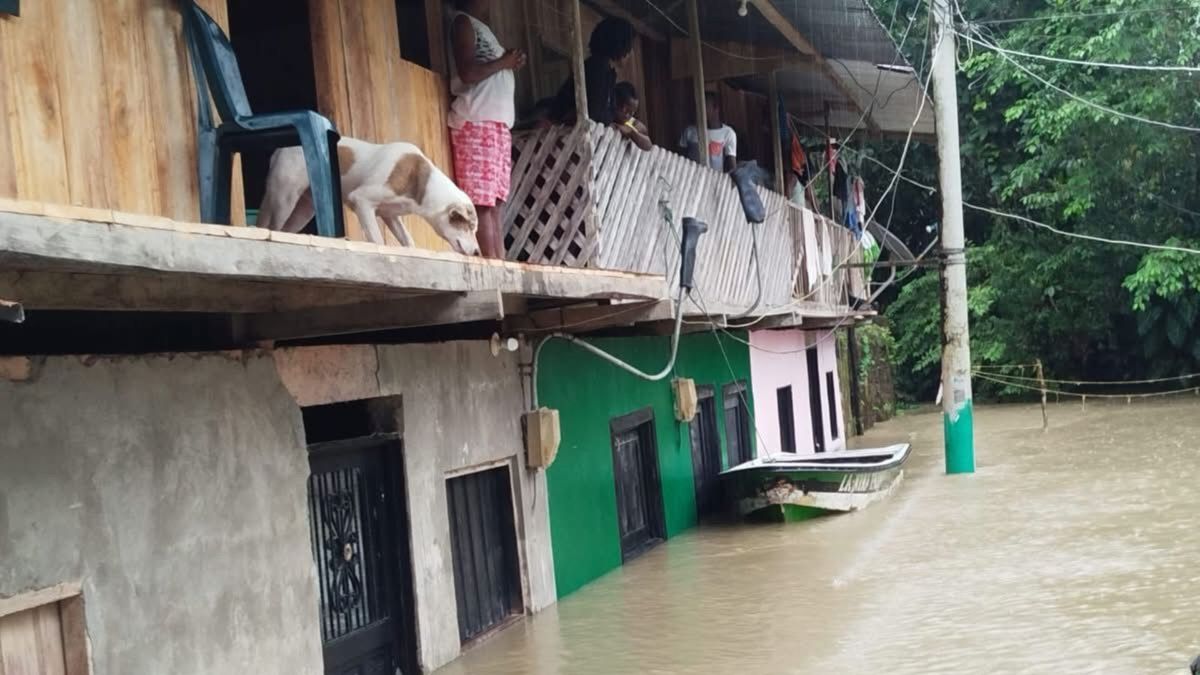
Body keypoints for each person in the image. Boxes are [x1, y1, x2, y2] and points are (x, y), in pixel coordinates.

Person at [447, 0, 526, 259]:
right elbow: (467, 73)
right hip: (476, 122)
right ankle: (492, 268)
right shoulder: (463, 23)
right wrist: (504, 62)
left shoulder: (481, 28)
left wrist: (507, 62)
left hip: (496, 126)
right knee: (481, 203)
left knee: (494, 204)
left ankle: (499, 265)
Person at [549, 17, 636, 124]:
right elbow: (595, 114)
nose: (630, 53)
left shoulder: (608, 72)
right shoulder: (597, 68)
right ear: (620, 44)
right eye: (629, 47)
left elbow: (611, 113)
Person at [680, 92, 737, 173]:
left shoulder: (728, 133)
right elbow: (680, 161)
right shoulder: (689, 131)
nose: (700, 111)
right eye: (698, 107)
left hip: (715, 181)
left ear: (716, 109)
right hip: (692, 181)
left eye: (704, 107)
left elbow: (732, 168)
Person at [613, 82, 652, 151]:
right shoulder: (608, 117)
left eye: (631, 112)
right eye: (626, 110)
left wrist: (631, 132)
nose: (627, 115)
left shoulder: (630, 122)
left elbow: (648, 145)